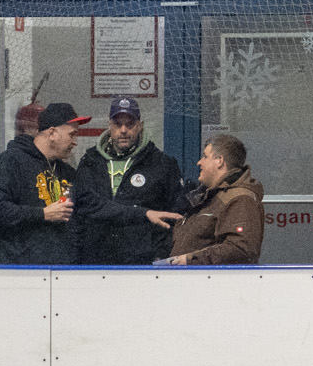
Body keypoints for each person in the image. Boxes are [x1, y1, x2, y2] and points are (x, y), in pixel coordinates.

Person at [0, 102, 109, 266]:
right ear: (52, 133)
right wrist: (42, 214)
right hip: (21, 274)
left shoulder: (66, 172)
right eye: (72, 135)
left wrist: (145, 214)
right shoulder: (11, 161)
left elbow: (96, 206)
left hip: (61, 273)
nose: (75, 142)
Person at [80, 96, 180, 265]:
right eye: (118, 124)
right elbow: (81, 211)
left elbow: (174, 213)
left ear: (140, 126)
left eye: (130, 124)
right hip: (95, 261)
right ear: (109, 125)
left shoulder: (161, 163)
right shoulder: (90, 162)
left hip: (142, 261)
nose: (124, 130)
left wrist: (161, 253)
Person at [155, 131, 263, 266]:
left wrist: (190, 260)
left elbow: (240, 249)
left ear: (220, 161)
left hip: (214, 283)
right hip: (190, 281)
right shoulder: (209, 197)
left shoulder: (240, 199)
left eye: (205, 157)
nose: (199, 162)